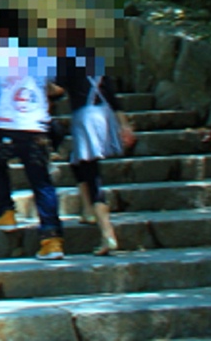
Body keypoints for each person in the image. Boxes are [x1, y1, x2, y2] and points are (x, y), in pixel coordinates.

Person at [0, 9, 65, 260]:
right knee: (41, 181)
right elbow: (56, 88)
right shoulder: (42, 55)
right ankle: (51, 239)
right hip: (36, 127)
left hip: (7, 125)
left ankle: (5, 213)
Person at [57, 21, 133, 256]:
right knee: (77, 160)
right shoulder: (96, 61)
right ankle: (88, 210)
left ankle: (107, 233)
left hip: (86, 118)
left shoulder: (66, 61)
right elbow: (112, 96)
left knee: (92, 174)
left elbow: (56, 89)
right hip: (104, 115)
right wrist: (124, 125)